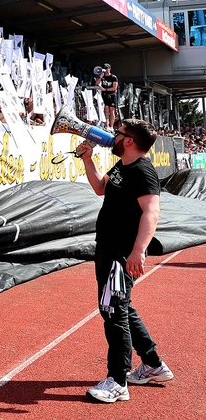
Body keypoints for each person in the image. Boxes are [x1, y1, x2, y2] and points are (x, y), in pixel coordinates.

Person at [79, 119, 174, 403]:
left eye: (118, 134)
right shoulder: (123, 166)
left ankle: (118, 381)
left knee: (113, 312)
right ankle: (153, 364)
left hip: (121, 254)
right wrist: (88, 159)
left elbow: (152, 212)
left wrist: (138, 251)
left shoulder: (142, 171)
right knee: (122, 307)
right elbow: (100, 187)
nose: (113, 138)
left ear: (129, 140)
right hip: (109, 249)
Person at [97, 63, 119, 129]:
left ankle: (111, 126)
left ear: (110, 69)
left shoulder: (113, 77)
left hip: (112, 95)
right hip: (105, 95)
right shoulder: (102, 77)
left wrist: (105, 89)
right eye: (104, 68)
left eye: (107, 68)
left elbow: (114, 88)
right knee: (106, 109)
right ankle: (107, 124)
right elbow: (96, 83)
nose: (106, 70)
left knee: (111, 110)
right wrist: (100, 77)